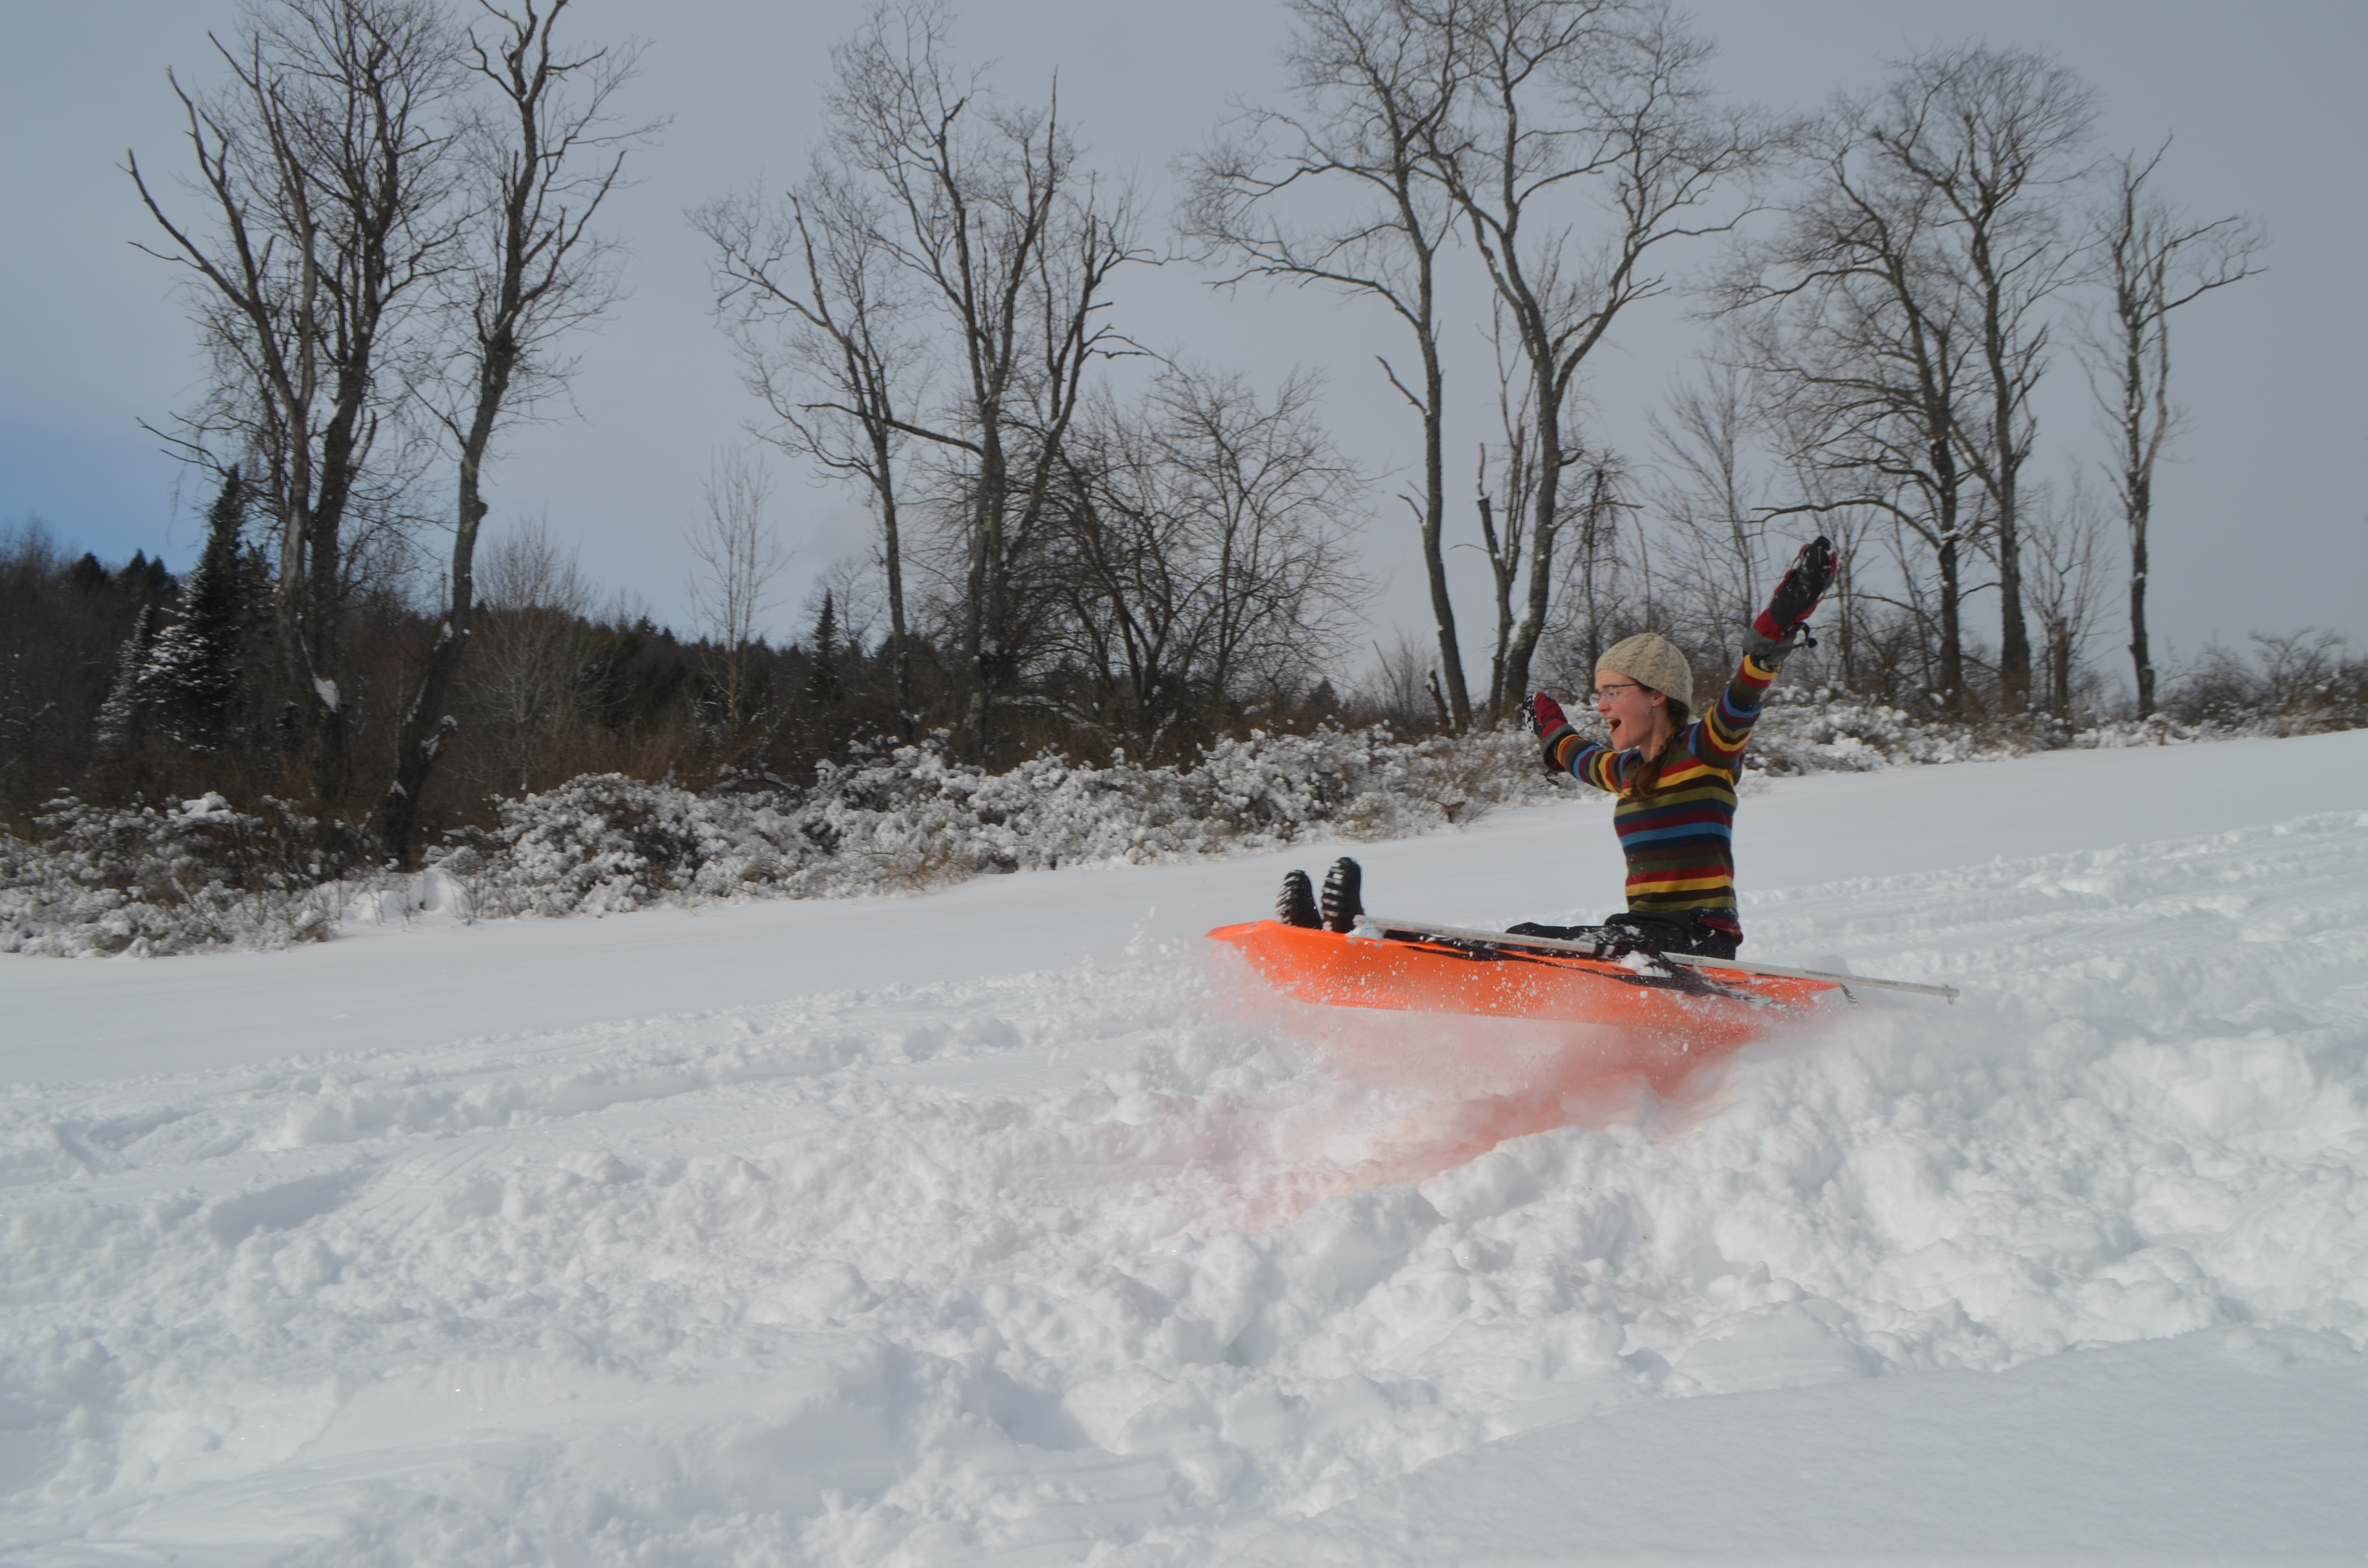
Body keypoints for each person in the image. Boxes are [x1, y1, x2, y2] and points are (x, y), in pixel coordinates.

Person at [1272, 537, 1837, 962]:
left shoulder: (1708, 749)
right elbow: (1573, 755)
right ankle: (1359, 936)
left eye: (1612, 693)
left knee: (1569, 950)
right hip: (1643, 938)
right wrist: (1546, 724)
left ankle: (1374, 940)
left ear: (1656, 695)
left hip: (1698, 942)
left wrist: (1775, 629)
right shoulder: (1626, 770)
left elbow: (1743, 693)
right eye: (1598, 695)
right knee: (1523, 942)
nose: (1601, 706)